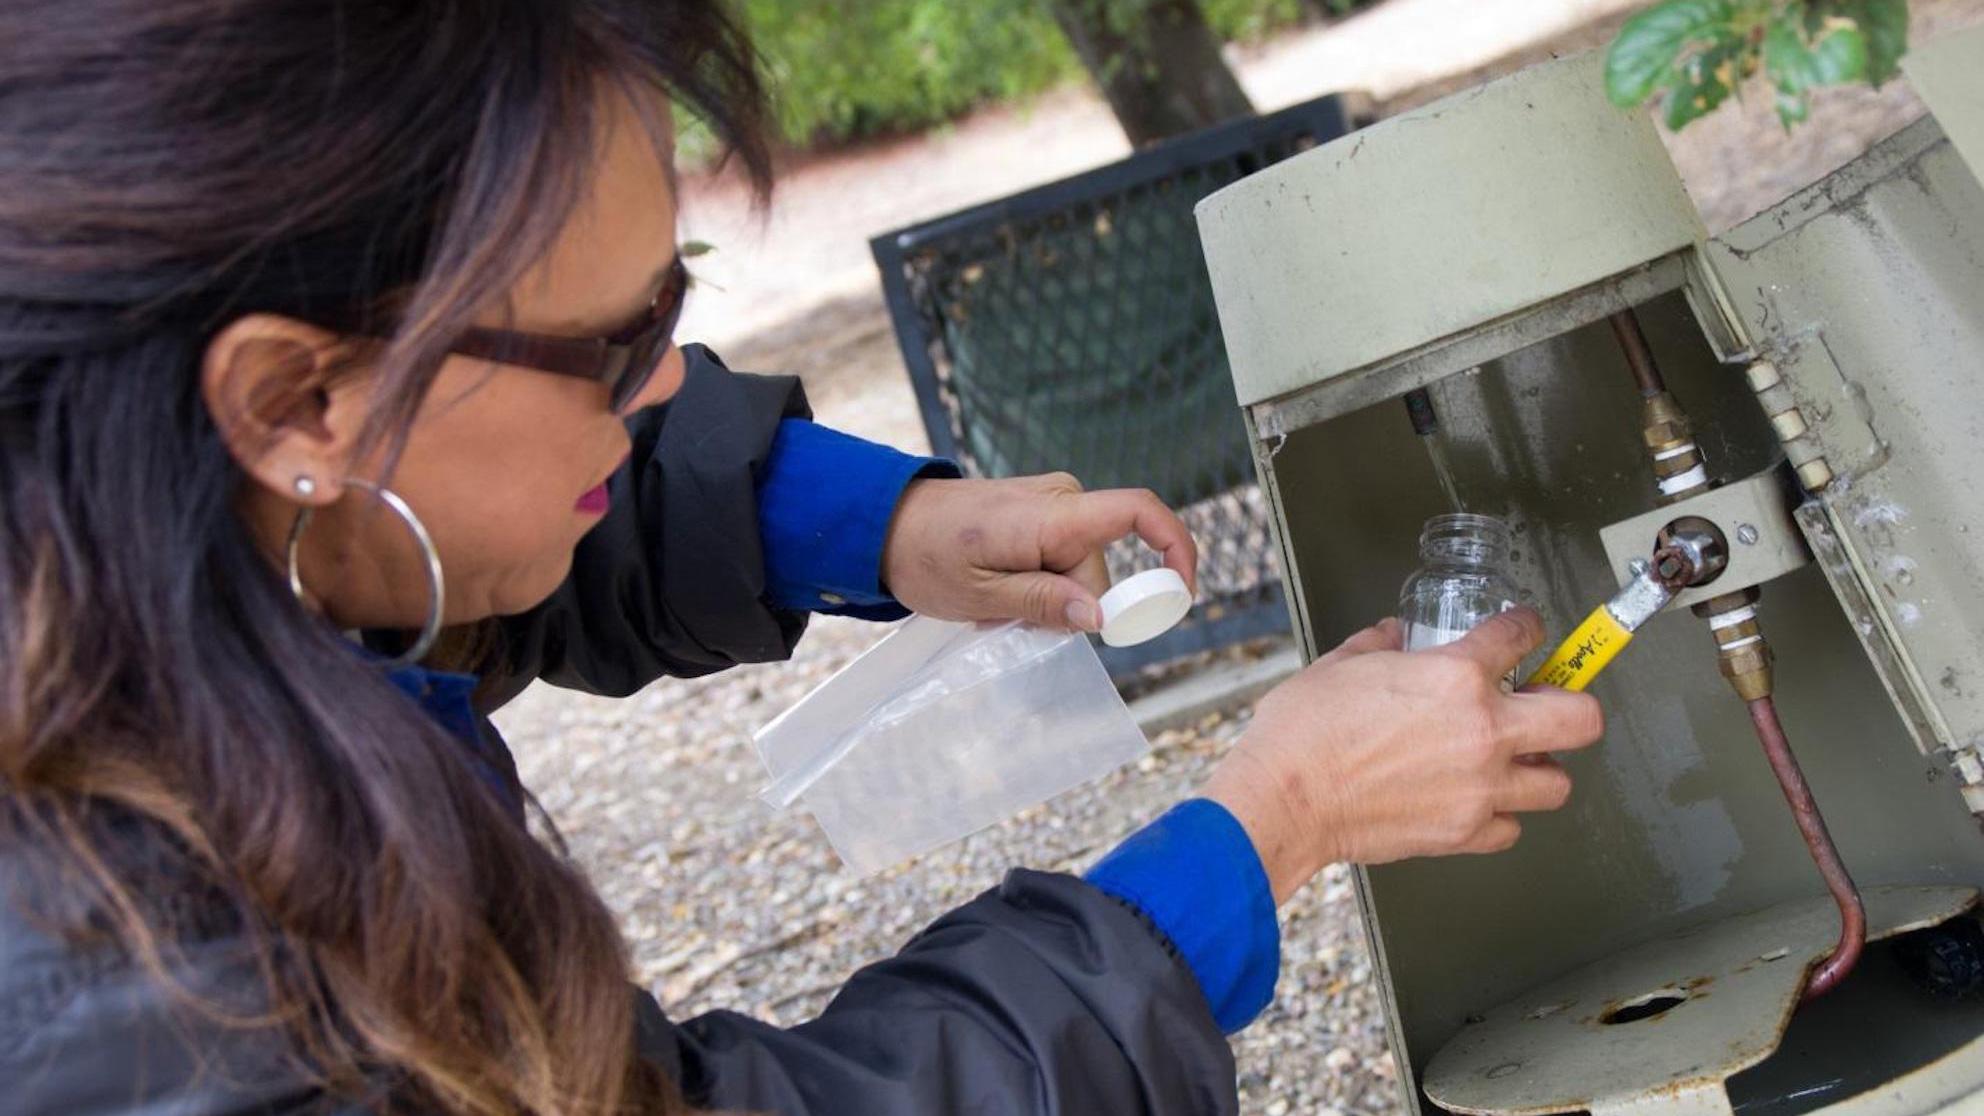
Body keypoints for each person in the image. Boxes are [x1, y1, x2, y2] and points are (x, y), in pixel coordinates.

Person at [0, 2, 1604, 1113]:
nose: (661, 388)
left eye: (674, 303)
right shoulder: (130, 991)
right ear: (294, 398)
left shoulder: (117, 509)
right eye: (613, 342)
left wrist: (893, 528)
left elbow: (440, 508)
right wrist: (1263, 831)